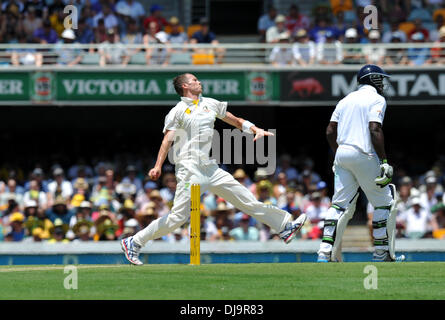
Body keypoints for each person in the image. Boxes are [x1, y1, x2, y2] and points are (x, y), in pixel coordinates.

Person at [121, 73, 307, 265]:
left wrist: (255, 129)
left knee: (247, 200)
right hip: (189, 168)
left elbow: (234, 120)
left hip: (210, 167)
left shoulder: (210, 103)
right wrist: (158, 165)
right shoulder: (178, 111)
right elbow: (167, 139)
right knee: (177, 218)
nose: (199, 82)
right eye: (194, 80)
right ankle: (134, 242)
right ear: (185, 86)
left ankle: (284, 226)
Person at [317, 64, 405, 263]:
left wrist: (338, 153)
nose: (383, 83)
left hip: (342, 154)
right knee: (384, 203)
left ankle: (324, 253)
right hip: (364, 153)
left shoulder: (345, 99)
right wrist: (383, 161)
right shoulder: (377, 99)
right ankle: (382, 252)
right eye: (380, 79)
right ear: (373, 79)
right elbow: (374, 129)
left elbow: (330, 131)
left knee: (339, 205)